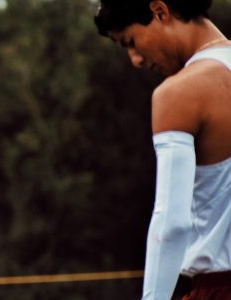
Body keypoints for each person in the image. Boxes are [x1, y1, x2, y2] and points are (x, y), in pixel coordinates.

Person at [95, 0, 231, 299]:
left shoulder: (180, 92)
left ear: (160, 11)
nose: (135, 60)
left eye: (131, 42)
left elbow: (172, 223)